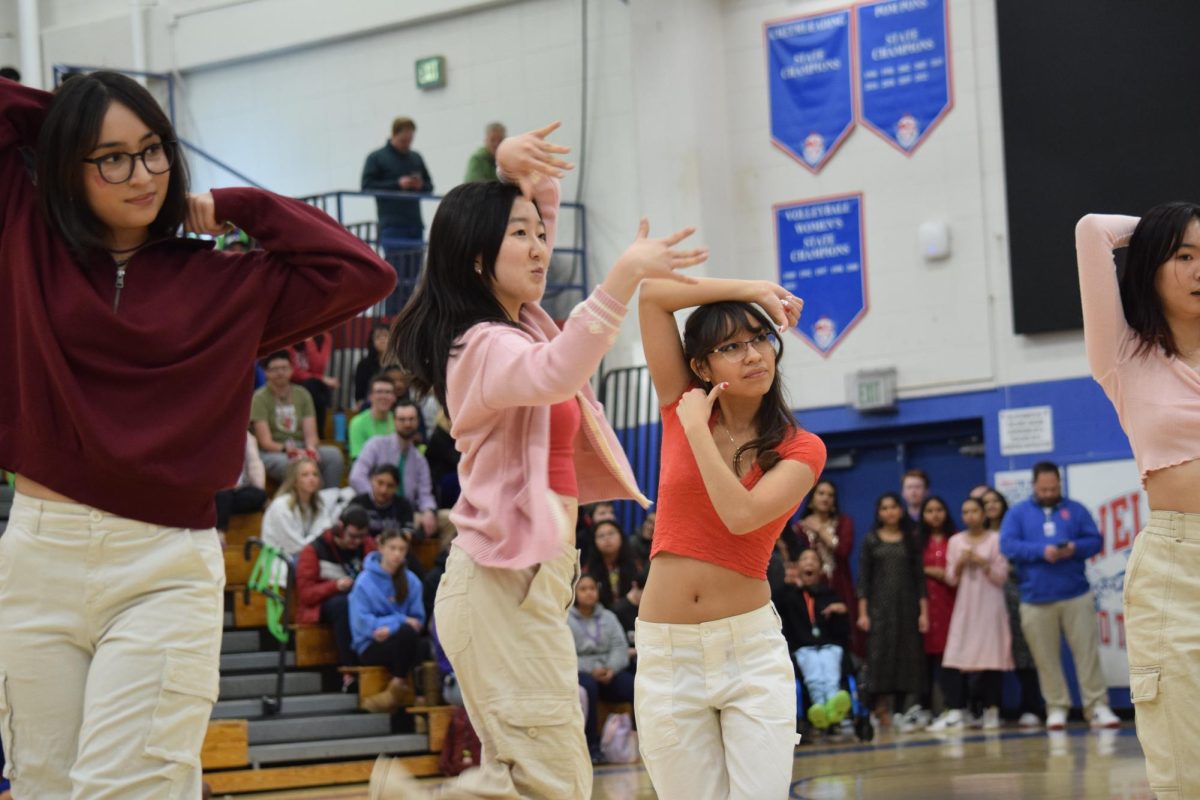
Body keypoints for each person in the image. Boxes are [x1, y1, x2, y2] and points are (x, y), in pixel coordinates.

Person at [0, 71, 392, 798]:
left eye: (153, 149)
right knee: (42, 786)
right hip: (36, 556)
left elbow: (362, 271)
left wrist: (233, 206)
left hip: (163, 567)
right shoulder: (23, 235)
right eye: (110, 156)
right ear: (64, 166)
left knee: (126, 788)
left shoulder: (228, 281)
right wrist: (72, 117)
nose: (142, 172)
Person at [369, 122, 702, 799]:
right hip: (500, 589)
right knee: (552, 784)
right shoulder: (482, 346)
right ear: (474, 258)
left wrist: (515, 170)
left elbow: (531, 215)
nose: (539, 244)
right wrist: (622, 278)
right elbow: (556, 371)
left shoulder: (515, 320)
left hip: (528, 583)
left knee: (550, 780)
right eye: (520, 235)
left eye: (540, 232)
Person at [636, 276, 821, 799]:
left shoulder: (801, 448)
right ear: (701, 366)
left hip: (749, 652)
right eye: (731, 346)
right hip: (667, 653)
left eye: (761, 339)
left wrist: (697, 431)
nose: (753, 354)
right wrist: (756, 288)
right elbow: (651, 295)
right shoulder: (681, 401)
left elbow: (741, 516)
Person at [1078, 207, 1200, 792]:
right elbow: (1092, 231)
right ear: (1151, 266)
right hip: (1178, 569)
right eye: (1185, 256)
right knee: (1182, 757)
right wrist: (1161, 229)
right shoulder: (1123, 357)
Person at [999, 462, 1119, 731]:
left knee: (1087, 654)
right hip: (1034, 597)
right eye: (1044, 488)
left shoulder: (1075, 510)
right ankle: (1056, 707)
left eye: (1054, 487)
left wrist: (1074, 547)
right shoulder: (1017, 514)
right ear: (1034, 485)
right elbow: (1007, 545)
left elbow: (1095, 541)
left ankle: (1097, 705)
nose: (1049, 492)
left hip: (1075, 593)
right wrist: (1043, 552)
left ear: (1059, 484)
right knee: (1045, 658)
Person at [928, 497, 1012, 732]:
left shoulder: (996, 539)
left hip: (990, 603)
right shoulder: (955, 541)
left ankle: (992, 710)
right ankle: (957, 709)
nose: (970, 516)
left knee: (992, 656)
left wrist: (982, 562)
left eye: (975, 511)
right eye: (965, 512)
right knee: (956, 654)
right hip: (966, 605)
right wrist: (961, 564)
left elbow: (1001, 576)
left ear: (984, 514)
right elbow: (951, 578)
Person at [857, 492, 929, 728]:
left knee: (906, 657)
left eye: (893, 507)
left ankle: (902, 710)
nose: (889, 512)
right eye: (884, 507)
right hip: (880, 609)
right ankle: (877, 709)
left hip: (907, 607)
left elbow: (920, 579)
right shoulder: (871, 540)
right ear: (879, 512)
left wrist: (924, 612)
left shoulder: (911, 539)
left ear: (901, 510)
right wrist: (863, 612)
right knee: (880, 657)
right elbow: (864, 579)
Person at [349, 530, 426, 713]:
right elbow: (362, 623)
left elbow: (418, 620)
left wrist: (391, 628)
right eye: (392, 548)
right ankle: (418, 699)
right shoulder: (364, 582)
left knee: (419, 643)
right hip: (371, 644)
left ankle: (399, 689)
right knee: (409, 637)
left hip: (400, 641)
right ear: (381, 547)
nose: (397, 554)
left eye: (402, 549)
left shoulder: (412, 581)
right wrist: (398, 622)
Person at [362, 116, 433, 309]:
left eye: (410, 140)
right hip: (392, 225)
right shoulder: (377, 158)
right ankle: (393, 318)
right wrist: (396, 184)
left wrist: (419, 186)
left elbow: (429, 186)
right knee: (396, 276)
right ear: (394, 134)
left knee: (413, 277)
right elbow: (367, 186)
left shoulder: (415, 157)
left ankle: (410, 316)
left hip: (414, 224)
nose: (407, 144)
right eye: (403, 140)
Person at [295, 505, 378, 671]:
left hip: (361, 598)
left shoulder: (367, 545)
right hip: (324, 605)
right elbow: (305, 594)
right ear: (340, 529)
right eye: (353, 536)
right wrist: (335, 586)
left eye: (362, 536)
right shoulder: (314, 550)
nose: (357, 542)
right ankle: (349, 668)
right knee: (343, 605)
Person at [778, 549, 852, 732]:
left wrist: (840, 611)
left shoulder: (830, 595)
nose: (809, 562)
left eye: (813, 560)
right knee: (814, 676)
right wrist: (789, 585)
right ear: (797, 567)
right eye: (804, 559)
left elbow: (842, 629)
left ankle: (834, 710)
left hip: (829, 646)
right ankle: (820, 710)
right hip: (804, 648)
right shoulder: (788, 595)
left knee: (831, 674)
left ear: (820, 568)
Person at [987, 487, 1043, 727]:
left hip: (1014, 592)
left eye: (994, 501)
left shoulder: (1016, 528)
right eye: (984, 502)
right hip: (986, 597)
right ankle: (990, 707)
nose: (990, 506)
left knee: (1023, 650)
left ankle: (1031, 705)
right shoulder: (972, 535)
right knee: (988, 652)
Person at [251, 350, 345, 492]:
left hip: (301, 446)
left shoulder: (302, 393)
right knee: (294, 464)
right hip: (273, 452)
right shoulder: (259, 398)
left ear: (291, 370)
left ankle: (329, 499)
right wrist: (291, 451)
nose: (280, 373)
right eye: (274, 369)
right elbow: (265, 442)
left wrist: (310, 450)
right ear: (266, 372)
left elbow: (311, 435)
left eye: (284, 368)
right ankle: (301, 506)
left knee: (333, 455)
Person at [348, 399, 439, 539]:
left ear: (418, 422)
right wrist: (377, 500)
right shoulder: (376, 445)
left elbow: (425, 494)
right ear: (394, 420)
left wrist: (428, 511)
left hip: (406, 511)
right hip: (373, 508)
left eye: (411, 419)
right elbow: (356, 477)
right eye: (402, 419)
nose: (407, 423)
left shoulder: (420, 460)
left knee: (447, 520)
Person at [568, 574, 634, 763]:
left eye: (592, 588)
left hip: (608, 671)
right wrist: (591, 670)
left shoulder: (608, 617)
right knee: (588, 688)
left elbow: (620, 647)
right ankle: (592, 746)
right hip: (581, 673)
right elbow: (566, 654)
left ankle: (640, 741)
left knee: (633, 685)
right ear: (574, 592)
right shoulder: (566, 620)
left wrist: (611, 668)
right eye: (583, 589)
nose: (589, 593)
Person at [788, 479, 856, 632]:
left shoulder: (844, 523)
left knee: (843, 626)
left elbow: (843, 551)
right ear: (812, 498)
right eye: (821, 493)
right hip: (810, 586)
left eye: (830, 495)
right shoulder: (799, 528)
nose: (826, 498)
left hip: (839, 582)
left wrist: (820, 530)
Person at [916, 495, 957, 730]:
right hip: (925, 604)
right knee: (926, 659)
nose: (935, 514)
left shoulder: (955, 539)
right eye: (929, 510)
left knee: (950, 658)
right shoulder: (918, 541)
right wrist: (931, 570)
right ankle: (927, 709)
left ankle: (954, 707)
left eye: (939, 509)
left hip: (951, 603)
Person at [261, 457, 336, 559]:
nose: (312, 479)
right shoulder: (281, 506)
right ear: (295, 481)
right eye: (305, 475)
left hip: (306, 554)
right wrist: (318, 540)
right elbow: (295, 547)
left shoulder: (318, 504)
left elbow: (325, 531)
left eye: (315, 474)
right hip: (281, 560)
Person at [214, 431, 269, 542]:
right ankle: (219, 532)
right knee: (223, 494)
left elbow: (255, 465)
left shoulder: (247, 436)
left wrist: (261, 490)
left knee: (259, 495)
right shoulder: (210, 433)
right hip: (214, 489)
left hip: (239, 490)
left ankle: (223, 509)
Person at [585, 519, 643, 610]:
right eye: (601, 536)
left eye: (611, 533)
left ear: (621, 536)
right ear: (594, 542)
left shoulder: (635, 563)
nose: (607, 539)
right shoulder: (589, 569)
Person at [290, 333, 339, 436]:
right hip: (292, 384)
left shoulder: (325, 336)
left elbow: (319, 367)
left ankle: (317, 433)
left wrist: (309, 340)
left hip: (314, 386)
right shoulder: (290, 334)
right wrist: (321, 378)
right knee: (315, 386)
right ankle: (317, 434)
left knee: (316, 386)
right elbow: (292, 372)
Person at [351, 463, 416, 540]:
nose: (384, 490)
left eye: (390, 486)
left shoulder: (404, 506)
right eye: (380, 483)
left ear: (397, 487)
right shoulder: (358, 502)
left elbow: (406, 535)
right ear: (372, 480)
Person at [349, 374, 397, 459]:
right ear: (370, 397)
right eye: (379, 392)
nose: (384, 396)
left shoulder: (399, 420)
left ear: (394, 397)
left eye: (388, 392)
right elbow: (358, 459)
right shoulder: (358, 423)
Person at [353, 323, 391, 407]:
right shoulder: (364, 365)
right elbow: (359, 396)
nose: (382, 339)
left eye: (385, 336)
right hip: (370, 407)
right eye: (378, 337)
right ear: (372, 342)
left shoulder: (397, 363)